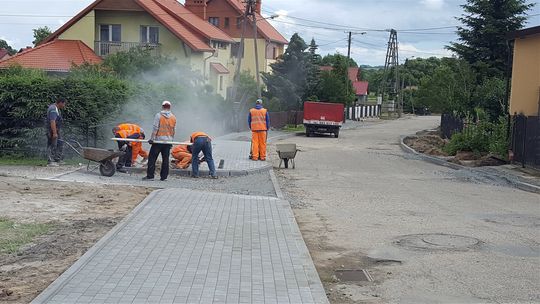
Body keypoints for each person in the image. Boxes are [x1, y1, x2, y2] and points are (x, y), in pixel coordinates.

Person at [144, 101, 176, 181]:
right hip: (168, 141)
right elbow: (173, 131)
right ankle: (164, 177)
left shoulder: (158, 115)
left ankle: (150, 176)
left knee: (152, 158)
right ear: (170, 107)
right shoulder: (173, 117)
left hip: (158, 141)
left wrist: (152, 139)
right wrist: (171, 141)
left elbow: (155, 128)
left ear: (162, 106)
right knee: (165, 159)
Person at [46, 98, 66, 166]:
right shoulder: (53, 109)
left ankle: (57, 159)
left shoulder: (57, 109)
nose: (64, 105)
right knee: (52, 144)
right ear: (60, 103)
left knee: (60, 143)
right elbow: (52, 121)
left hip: (57, 130)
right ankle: (51, 161)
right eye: (64, 103)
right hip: (51, 130)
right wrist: (54, 133)